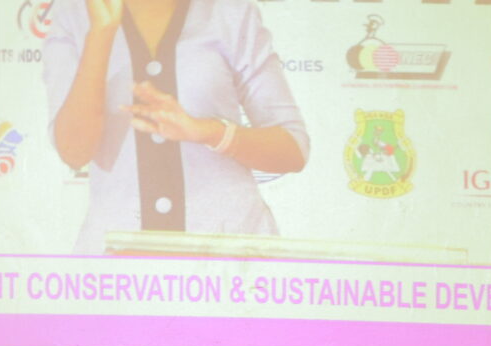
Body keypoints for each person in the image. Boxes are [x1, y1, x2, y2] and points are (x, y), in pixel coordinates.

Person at [45, 0, 310, 257]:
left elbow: (293, 148)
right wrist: (100, 35)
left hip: (229, 258)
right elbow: (74, 153)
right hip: (120, 264)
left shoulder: (230, 12)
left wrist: (210, 132)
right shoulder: (72, 15)